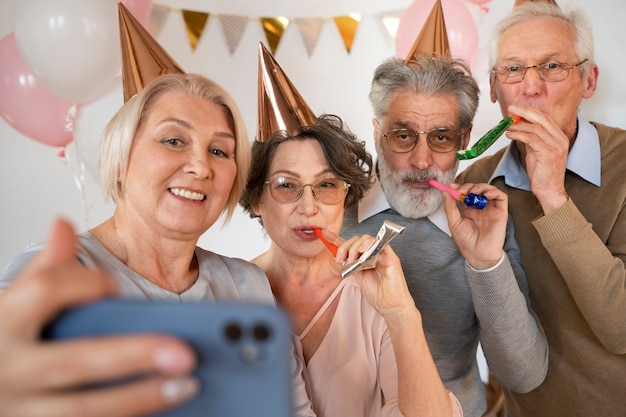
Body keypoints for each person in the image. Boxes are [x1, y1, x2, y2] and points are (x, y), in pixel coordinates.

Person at [1, 73, 315, 417]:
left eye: (218, 150)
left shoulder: (247, 285)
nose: (200, 166)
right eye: (173, 141)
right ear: (121, 161)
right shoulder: (54, 276)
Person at [340, 54, 548, 417]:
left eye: (441, 137)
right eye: (403, 136)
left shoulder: (486, 223)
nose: (422, 161)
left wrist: (485, 263)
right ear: (376, 133)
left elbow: (523, 374)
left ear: (464, 138)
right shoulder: (328, 212)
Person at [456, 3, 626, 417]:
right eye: (513, 69)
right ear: (494, 88)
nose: (530, 87)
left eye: (552, 65)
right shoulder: (473, 186)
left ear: (589, 81)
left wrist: (552, 194)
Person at [240, 114, 463, 417]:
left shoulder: (374, 294)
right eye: (286, 185)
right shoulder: (225, 289)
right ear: (256, 199)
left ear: (345, 197)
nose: (309, 207)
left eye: (327, 184)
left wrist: (401, 313)